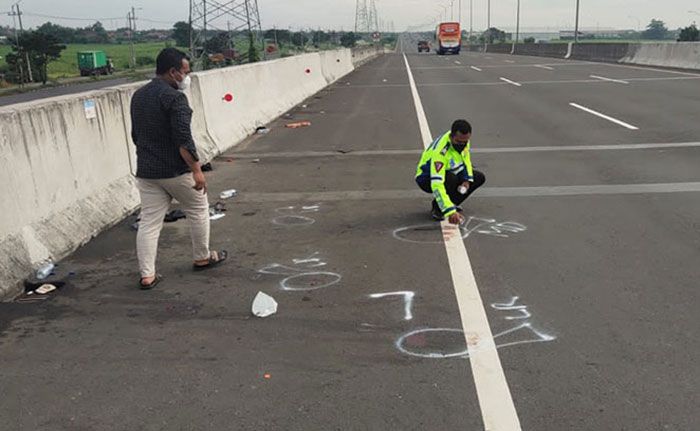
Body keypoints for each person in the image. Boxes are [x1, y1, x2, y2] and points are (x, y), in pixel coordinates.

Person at [130, 47, 227, 289]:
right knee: (198, 209)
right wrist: (196, 170)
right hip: (175, 171)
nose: (187, 76)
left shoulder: (139, 96)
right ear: (173, 72)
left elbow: (135, 135)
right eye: (185, 71)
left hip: (147, 171)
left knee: (149, 222)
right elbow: (184, 139)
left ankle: (147, 275)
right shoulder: (175, 98)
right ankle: (202, 257)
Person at [415, 119, 486, 225]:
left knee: (478, 178)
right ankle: (439, 208)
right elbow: (437, 184)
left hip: (449, 171)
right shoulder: (440, 152)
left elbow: (465, 159)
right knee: (451, 178)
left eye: (465, 142)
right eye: (459, 142)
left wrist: (466, 180)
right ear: (451, 136)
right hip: (427, 177)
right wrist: (450, 211)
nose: (462, 144)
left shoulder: (464, 140)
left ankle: (451, 202)